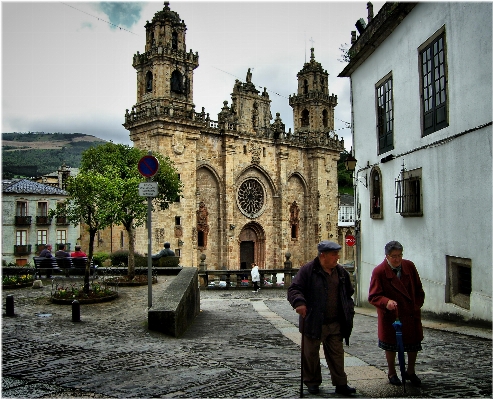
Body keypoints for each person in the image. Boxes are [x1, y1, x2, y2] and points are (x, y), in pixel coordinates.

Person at [287, 240, 356, 396]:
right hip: (313, 320)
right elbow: (294, 289)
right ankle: (312, 382)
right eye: (334, 254)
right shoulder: (308, 270)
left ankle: (341, 384)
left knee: (337, 354)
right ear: (323, 256)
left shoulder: (340, 272)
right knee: (310, 354)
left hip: (335, 321)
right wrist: (299, 302)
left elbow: (348, 293)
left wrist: (348, 309)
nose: (337, 257)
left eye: (337, 254)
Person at [368, 241, 425, 387]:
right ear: (387, 256)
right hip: (392, 316)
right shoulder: (379, 271)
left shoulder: (409, 266)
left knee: (413, 344)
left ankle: (410, 371)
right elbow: (373, 296)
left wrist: (416, 305)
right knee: (391, 345)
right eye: (394, 256)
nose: (397, 259)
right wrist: (386, 302)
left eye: (400, 255)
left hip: (410, 314)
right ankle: (392, 372)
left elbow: (419, 289)